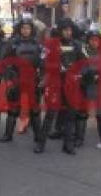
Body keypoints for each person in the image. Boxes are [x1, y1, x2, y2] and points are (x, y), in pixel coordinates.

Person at [36, 18, 85, 155]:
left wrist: (79, 73)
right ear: (60, 31)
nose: (68, 32)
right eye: (65, 30)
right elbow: (41, 62)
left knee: (71, 115)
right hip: (55, 83)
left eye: (70, 30)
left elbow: (85, 63)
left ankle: (68, 145)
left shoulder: (77, 45)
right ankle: (41, 143)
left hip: (71, 84)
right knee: (50, 114)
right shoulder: (50, 45)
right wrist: (55, 68)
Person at [0, 17, 43, 143]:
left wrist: (43, 77)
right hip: (16, 78)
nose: (25, 30)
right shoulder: (12, 44)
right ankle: (8, 134)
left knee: (34, 109)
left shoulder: (38, 44)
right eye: (23, 28)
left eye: (28, 28)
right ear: (19, 29)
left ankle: (38, 136)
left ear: (32, 29)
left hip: (33, 79)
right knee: (13, 108)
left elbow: (43, 61)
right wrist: (9, 77)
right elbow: (5, 61)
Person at [76, 28, 101, 150]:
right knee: (82, 113)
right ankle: (79, 140)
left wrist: (100, 73)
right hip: (85, 85)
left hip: (100, 86)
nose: (94, 42)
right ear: (88, 40)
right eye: (92, 40)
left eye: (97, 40)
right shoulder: (82, 52)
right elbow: (79, 68)